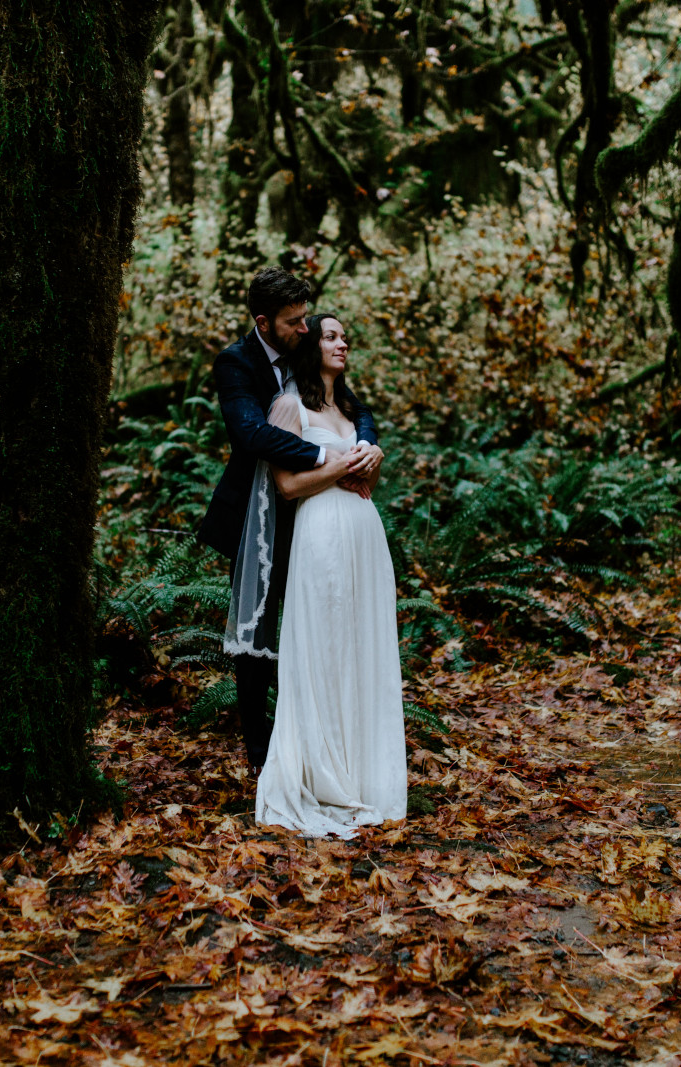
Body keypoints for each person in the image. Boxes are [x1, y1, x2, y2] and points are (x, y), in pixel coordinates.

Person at [197, 268, 383, 775]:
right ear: (264, 321)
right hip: (260, 515)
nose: (305, 328)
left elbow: (349, 403)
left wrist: (365, 444)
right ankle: (263, 755)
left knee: (322, 619)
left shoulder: (305, 345)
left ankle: (323, 738)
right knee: (258, 634)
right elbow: (250, 434)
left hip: (318, 515)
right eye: (294, 321)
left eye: (307, 319)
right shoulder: (236, 363)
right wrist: (329, 460)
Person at [255, 313, 406, 836]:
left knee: (363, 648)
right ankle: (321, 775)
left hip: (365, 536)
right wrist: (344, 466)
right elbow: (288, 486)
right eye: (332, 335)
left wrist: (372, 460)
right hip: (319, 537)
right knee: (325, 648)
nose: (343, 343)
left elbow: (368, 483)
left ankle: (365, 773)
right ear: (310, 343)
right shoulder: (287, 405)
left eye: (345, 337)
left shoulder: (351, 410)